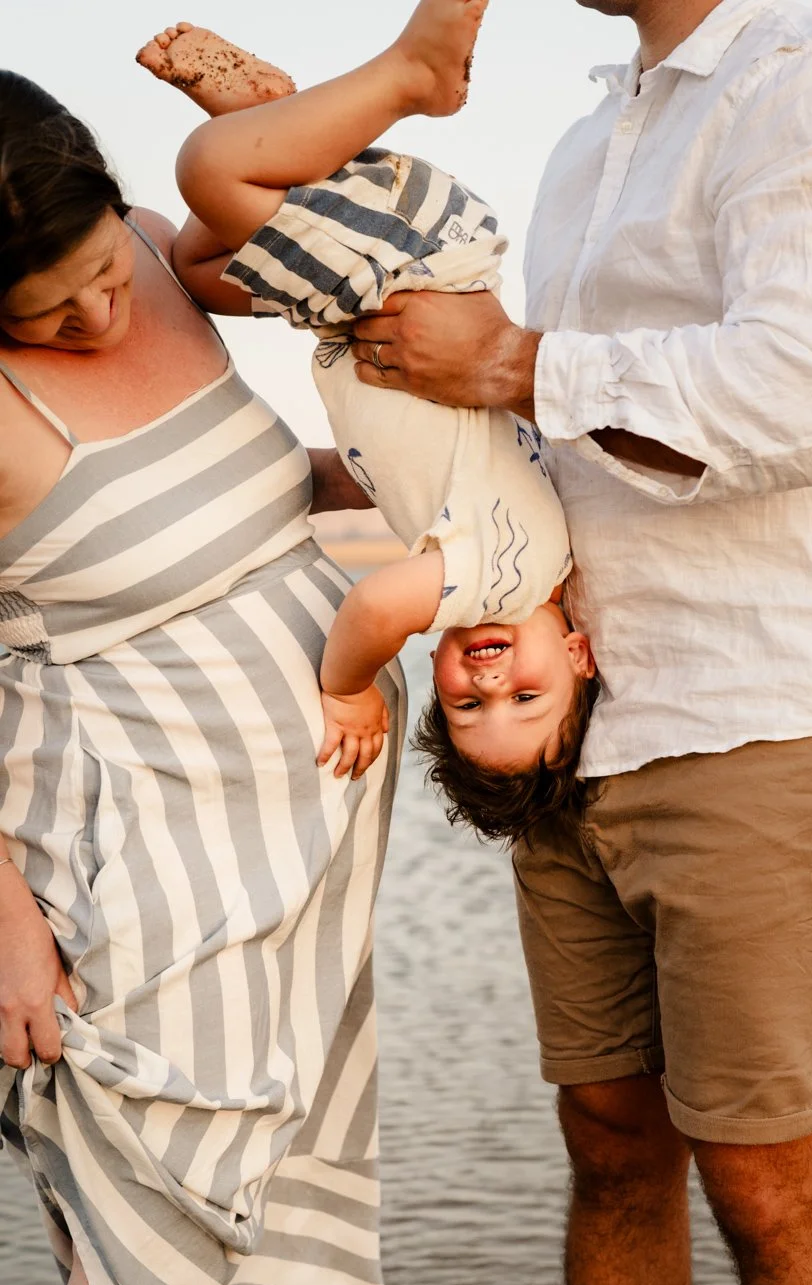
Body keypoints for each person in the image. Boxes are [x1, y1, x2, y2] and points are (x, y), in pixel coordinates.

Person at [347, 0, 812, 1285]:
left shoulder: (811, 91)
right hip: (581, 727)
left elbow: (796, 398)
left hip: (765, 713)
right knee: (611, 1150)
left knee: (765, 1183)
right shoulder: (586, 140)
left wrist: (506, 363)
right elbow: (553, 454)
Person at [0, 61, 405, 1285]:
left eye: (101, 269)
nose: (94, 315)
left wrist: (379, 477)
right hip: (133, 866)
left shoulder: (163, 275)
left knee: (181, 1272)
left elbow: (214, 491)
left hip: (278, 866)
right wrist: (8, 928)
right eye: (41, 310)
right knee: (140, 1254)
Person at [137, 10, 598, 837]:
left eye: (465, 704)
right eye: (526, 698)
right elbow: (378, 609)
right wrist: (347, 689)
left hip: (371, 298)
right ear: (577, 658)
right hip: (413, 274)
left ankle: (274, 123)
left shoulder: (543, 554)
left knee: (198, 269)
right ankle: (413, 74)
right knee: (208, 174)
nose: (490, 682)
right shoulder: (506, 580)